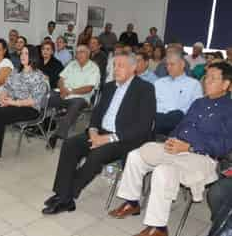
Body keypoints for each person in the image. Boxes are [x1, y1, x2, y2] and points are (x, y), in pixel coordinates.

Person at [109, 62, 232, 236]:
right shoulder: (198, 103)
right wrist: (171, 140)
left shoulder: (229, 109)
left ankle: (158, 227)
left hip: (203, 158)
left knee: (163, 170)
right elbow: (181, 126)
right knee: (136, 155)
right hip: (177, 150)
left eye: (213, 78)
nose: (207, 82)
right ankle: (132, 202)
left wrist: (189, 146)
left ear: (226, 84)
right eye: (207, 78)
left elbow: (223, 145)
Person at [42, 53, 156, 215]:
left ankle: (67, 197)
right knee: (70, 144)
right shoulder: (109, 87)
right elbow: (96, 114)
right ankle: (62, 193)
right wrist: (94, 132)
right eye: (114, 65)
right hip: (100, 132)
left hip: (123, 138)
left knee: (96, 155)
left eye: (121, 65)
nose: (116, 69)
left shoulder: (145, 89)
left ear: (133, 68)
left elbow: (143, 126)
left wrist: (107, 139)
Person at [0, 45, 47, 165]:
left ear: (33, 56)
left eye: (26, 53)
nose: (22, 56)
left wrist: (12, 103)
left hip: (29, 108)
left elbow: (34, 100)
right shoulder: (16, 71)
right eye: (21, 53)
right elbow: (6, 87)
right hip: (11, 102)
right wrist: (2, 98)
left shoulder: (38, 76)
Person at [48, 44, 100, 149]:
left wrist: (70, 91)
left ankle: (57, 135)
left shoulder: (94, 68)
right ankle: (40, 123)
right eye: (77, 52)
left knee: (75, 105)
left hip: (80, 97)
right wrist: (62, 89)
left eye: (82, 52)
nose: (78, 54)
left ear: (88, 54)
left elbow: (89, 88)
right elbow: (60, 79)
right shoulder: (72, 64)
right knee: (47, 96)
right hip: (63, 93)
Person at [154, 48, 202, 136]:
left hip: (179, 123)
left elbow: (196, 109)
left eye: (172, 64)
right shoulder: (158, 82)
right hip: (157, 119)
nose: (168, 67)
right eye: (167, 65)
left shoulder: (194, 84)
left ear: (182, 64)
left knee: (177, 114)